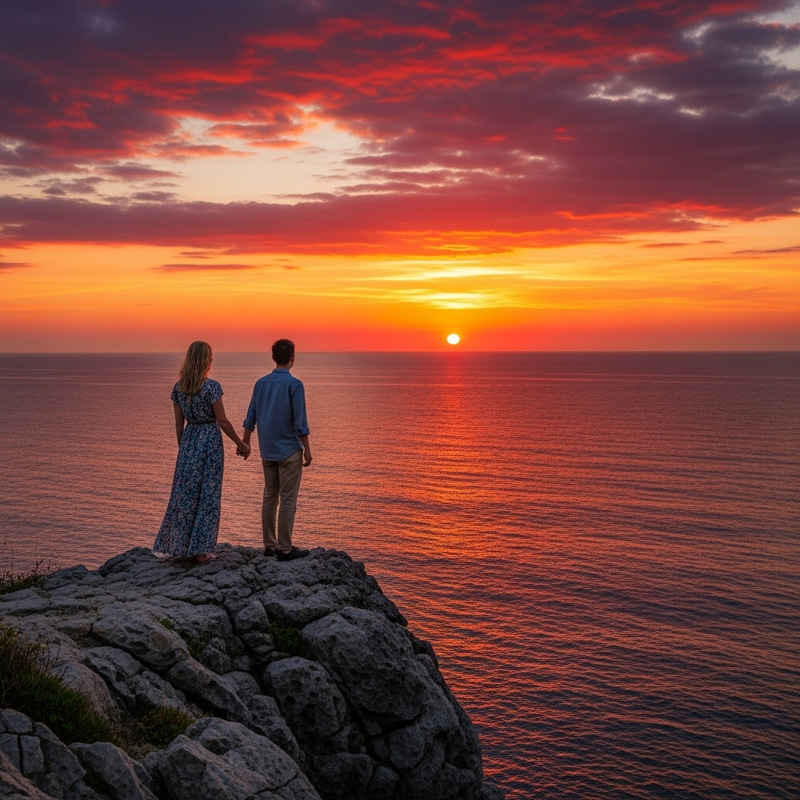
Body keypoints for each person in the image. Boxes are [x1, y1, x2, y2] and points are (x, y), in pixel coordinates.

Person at [153, 341, 250, 564]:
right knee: (208, 495)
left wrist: (183, 448)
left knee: (184, 496)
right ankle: (201, 550)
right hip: (209, 442)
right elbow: (222, 421)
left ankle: (180, 545)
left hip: (189, 440)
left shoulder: (178, 388)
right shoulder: (211, 387)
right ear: (207, 360)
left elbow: (179, 423)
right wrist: (240, 443)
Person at [242, 338, 312, 561]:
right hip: (289, 450)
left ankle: (269, 545)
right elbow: (300, 423)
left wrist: (246, 442)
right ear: (293, 358)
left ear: (273, 358)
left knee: (269, 497)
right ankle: (285, 549)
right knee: (288, 499)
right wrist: (307, 450)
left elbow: (250, 417)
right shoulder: (295, 385)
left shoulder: (261, 383)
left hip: (267, 450)